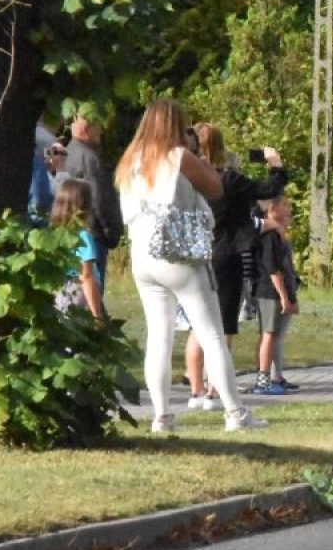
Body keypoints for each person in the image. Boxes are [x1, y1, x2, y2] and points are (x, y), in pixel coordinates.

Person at [115, 98, 266, 434]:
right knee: (211, 333)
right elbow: (216, 187)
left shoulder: (130, 160)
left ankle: (162, 416)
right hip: (179, 255)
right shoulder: (178, 156)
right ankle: (235, 412)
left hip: (142, 256)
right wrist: (193, 154)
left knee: (159, 335)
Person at [180, 123, 287, 408]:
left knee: (197, 324)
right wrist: (275, 164)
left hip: (196, 252)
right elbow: (268, 188)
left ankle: (196, 390)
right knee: (223, 324)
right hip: (226, 252)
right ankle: (215, 390)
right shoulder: (226, 180)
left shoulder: (184, 180)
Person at [65, 108, 124, 299]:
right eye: (97, 126)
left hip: (71, 234)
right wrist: (111, 231)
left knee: (75, 294)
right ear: (85, 128)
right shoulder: (89, 158)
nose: (101, 130)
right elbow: (100, 199)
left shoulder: (68, 153)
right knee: (93, 293)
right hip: (93, 235)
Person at [251, 195, 301, 394]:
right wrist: (283, 296)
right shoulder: (269, 236)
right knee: (268, 334)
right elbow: (272, 269)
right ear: (272, 208)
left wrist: (291, 295)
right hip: (269, 291)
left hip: (278, 291)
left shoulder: (278, 233)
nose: (289, 208)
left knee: (272, 335)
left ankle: (272, 377)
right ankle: (263, 380)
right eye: (285, 204)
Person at [49, 178, 106, 322]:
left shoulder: (53, 234)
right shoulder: (83, 237)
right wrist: (97, 314)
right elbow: (86, 276)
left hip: (59, 292)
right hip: (79, 296)